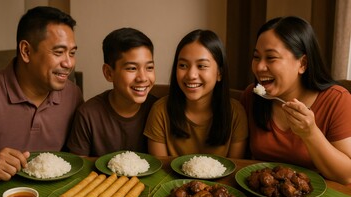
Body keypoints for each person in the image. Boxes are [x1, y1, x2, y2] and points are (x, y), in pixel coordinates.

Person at [240, 16, 351, 185]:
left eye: (271, 58)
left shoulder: (337, 100)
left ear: (303, 63)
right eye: (256, 57)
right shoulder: (251, 96)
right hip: (261, 195)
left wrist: (311, 133)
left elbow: (347, 176)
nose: (260, 67)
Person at [0, 6, 84, 181]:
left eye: (72, 53)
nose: (69, 63)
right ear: (26, 51)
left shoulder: (73, 95)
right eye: (58, 52)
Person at [144, 29, 248, 158]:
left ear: (219, 73)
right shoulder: (160, 111)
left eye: (201, 66)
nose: (191, 75)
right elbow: (160, 169)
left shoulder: (236, 113)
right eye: (183, 65)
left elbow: (235, 168)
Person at [67, 28, 157, 157]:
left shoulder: (158, 111)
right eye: (132, 68)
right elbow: (79, 167)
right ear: (109, 73)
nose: (142, 78)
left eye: (149, 68)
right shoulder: (88, 115)